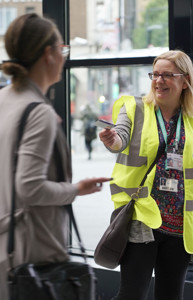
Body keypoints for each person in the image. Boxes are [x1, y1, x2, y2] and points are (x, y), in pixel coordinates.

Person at [0, 13, 111, 299]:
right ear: (48, 54)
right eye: (62, 50)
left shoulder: (5, 99)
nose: (64, 57)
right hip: (34, 252)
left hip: (7, 245)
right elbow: (30, 187)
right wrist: (74, 190)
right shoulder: (39, 112)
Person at [99, 50, 193, 300]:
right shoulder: (136, 109)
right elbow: (120, 137)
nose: (158, 80)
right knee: (132, 294)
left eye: (167, 75)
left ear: (185, 81)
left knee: (171, 296)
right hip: (143, 217)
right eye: (155, 74)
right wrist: (113, 141)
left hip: (180, 225)